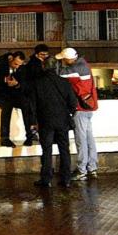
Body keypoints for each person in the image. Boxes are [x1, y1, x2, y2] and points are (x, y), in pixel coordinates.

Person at [31, 51, 78, 186]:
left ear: (43, 67)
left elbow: (33, 104)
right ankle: (66, 179)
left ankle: (46, 179)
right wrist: (68, 112)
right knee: (64, 149)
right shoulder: (64, 82)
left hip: (45, 120)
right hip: (62, 120)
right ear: (56, 67)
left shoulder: (38, 83)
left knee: (47, 150)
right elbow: (73, 103)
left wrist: (33, 121)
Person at [59, 47, 100, 180]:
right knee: (89, 139)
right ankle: (92, 167)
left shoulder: (74, 69)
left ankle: (82, 170)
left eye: (64, 59)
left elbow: (60, 76)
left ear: (69, 59)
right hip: (88, 107)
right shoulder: (84, 64)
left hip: (80, 108)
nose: (63, 61)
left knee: (81, 140)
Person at [0, 50, 26, 147]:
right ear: (11, 59)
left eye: (19, 65)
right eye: (15, 64)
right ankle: (5, 137)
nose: (17, 67)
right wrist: (4, 80)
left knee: (27, 102)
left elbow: (24, 81)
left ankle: (31, 133)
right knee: (7, 105)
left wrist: (17, 84)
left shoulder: (19, 67)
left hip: (13, 93)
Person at [19, 44, 52, 145]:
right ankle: (34, 135)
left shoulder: (40, 64)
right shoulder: (36, 65)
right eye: (42, 54)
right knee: (34, 117)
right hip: (33, 96)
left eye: (46, 54)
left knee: (29, 117)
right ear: (37, 54)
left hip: (31, 96)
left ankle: (31, 136)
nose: (45, 56)